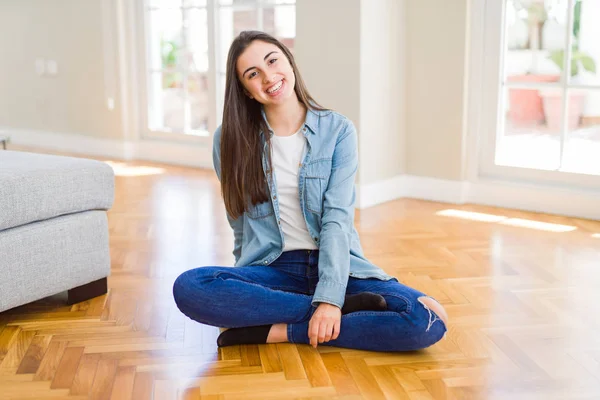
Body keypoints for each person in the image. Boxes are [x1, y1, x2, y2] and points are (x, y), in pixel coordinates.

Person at [173, 31, 448, 352]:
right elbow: (239, 224)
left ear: (289, 61)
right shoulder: (228, 140)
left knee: (424, 320)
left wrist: (330, 297)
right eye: (253, 74)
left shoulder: (338, 130)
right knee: (191, 287)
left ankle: (278, 331)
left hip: (339, 266)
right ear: (246, 90)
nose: (268, 76)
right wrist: (242, 292)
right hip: (274, 271)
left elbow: (337, 219)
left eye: (272, 61)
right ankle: (335, 313)